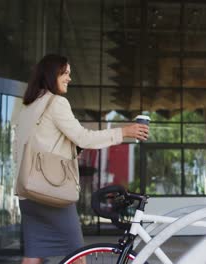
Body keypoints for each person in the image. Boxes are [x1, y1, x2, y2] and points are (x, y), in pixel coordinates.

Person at [13, 54, 149, 264]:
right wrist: (124, 132)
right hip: (50, 191)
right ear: (51, 74)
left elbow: (32, 147)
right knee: (77, 254)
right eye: (65, 73)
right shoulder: (56, 102)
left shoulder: (28, 107)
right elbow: (83, 137)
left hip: (27, 192)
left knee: (33, 254)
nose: (69, 78)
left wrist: (70, 151)